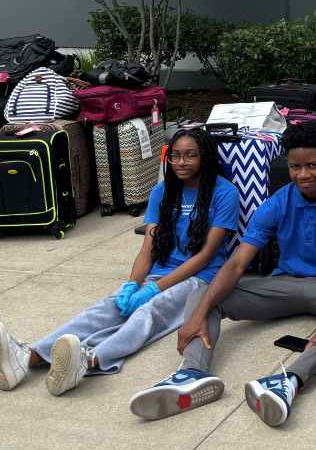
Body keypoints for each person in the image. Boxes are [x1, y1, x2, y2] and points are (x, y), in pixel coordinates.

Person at [129, 122, 316, 428]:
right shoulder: (278, 202)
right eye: (295, 167)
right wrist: (198, 315)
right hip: (283, 284)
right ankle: (192, 373)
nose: (302, 175)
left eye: (312, 166)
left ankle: (288, 381)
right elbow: (236, 264)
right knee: (204, 292)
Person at [0, 129, 237, 396]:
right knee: (108, 307)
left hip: (200, 278)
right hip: (160, 272)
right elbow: (148, 249)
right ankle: (28, 357)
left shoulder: (225, 193)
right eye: (176, 156)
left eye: (190, 155)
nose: (181, 162)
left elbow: (206, 255)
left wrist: (154, 290)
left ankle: (89, 361)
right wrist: (132, 285)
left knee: (149, 312)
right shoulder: (162, 191)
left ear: (205, 157)